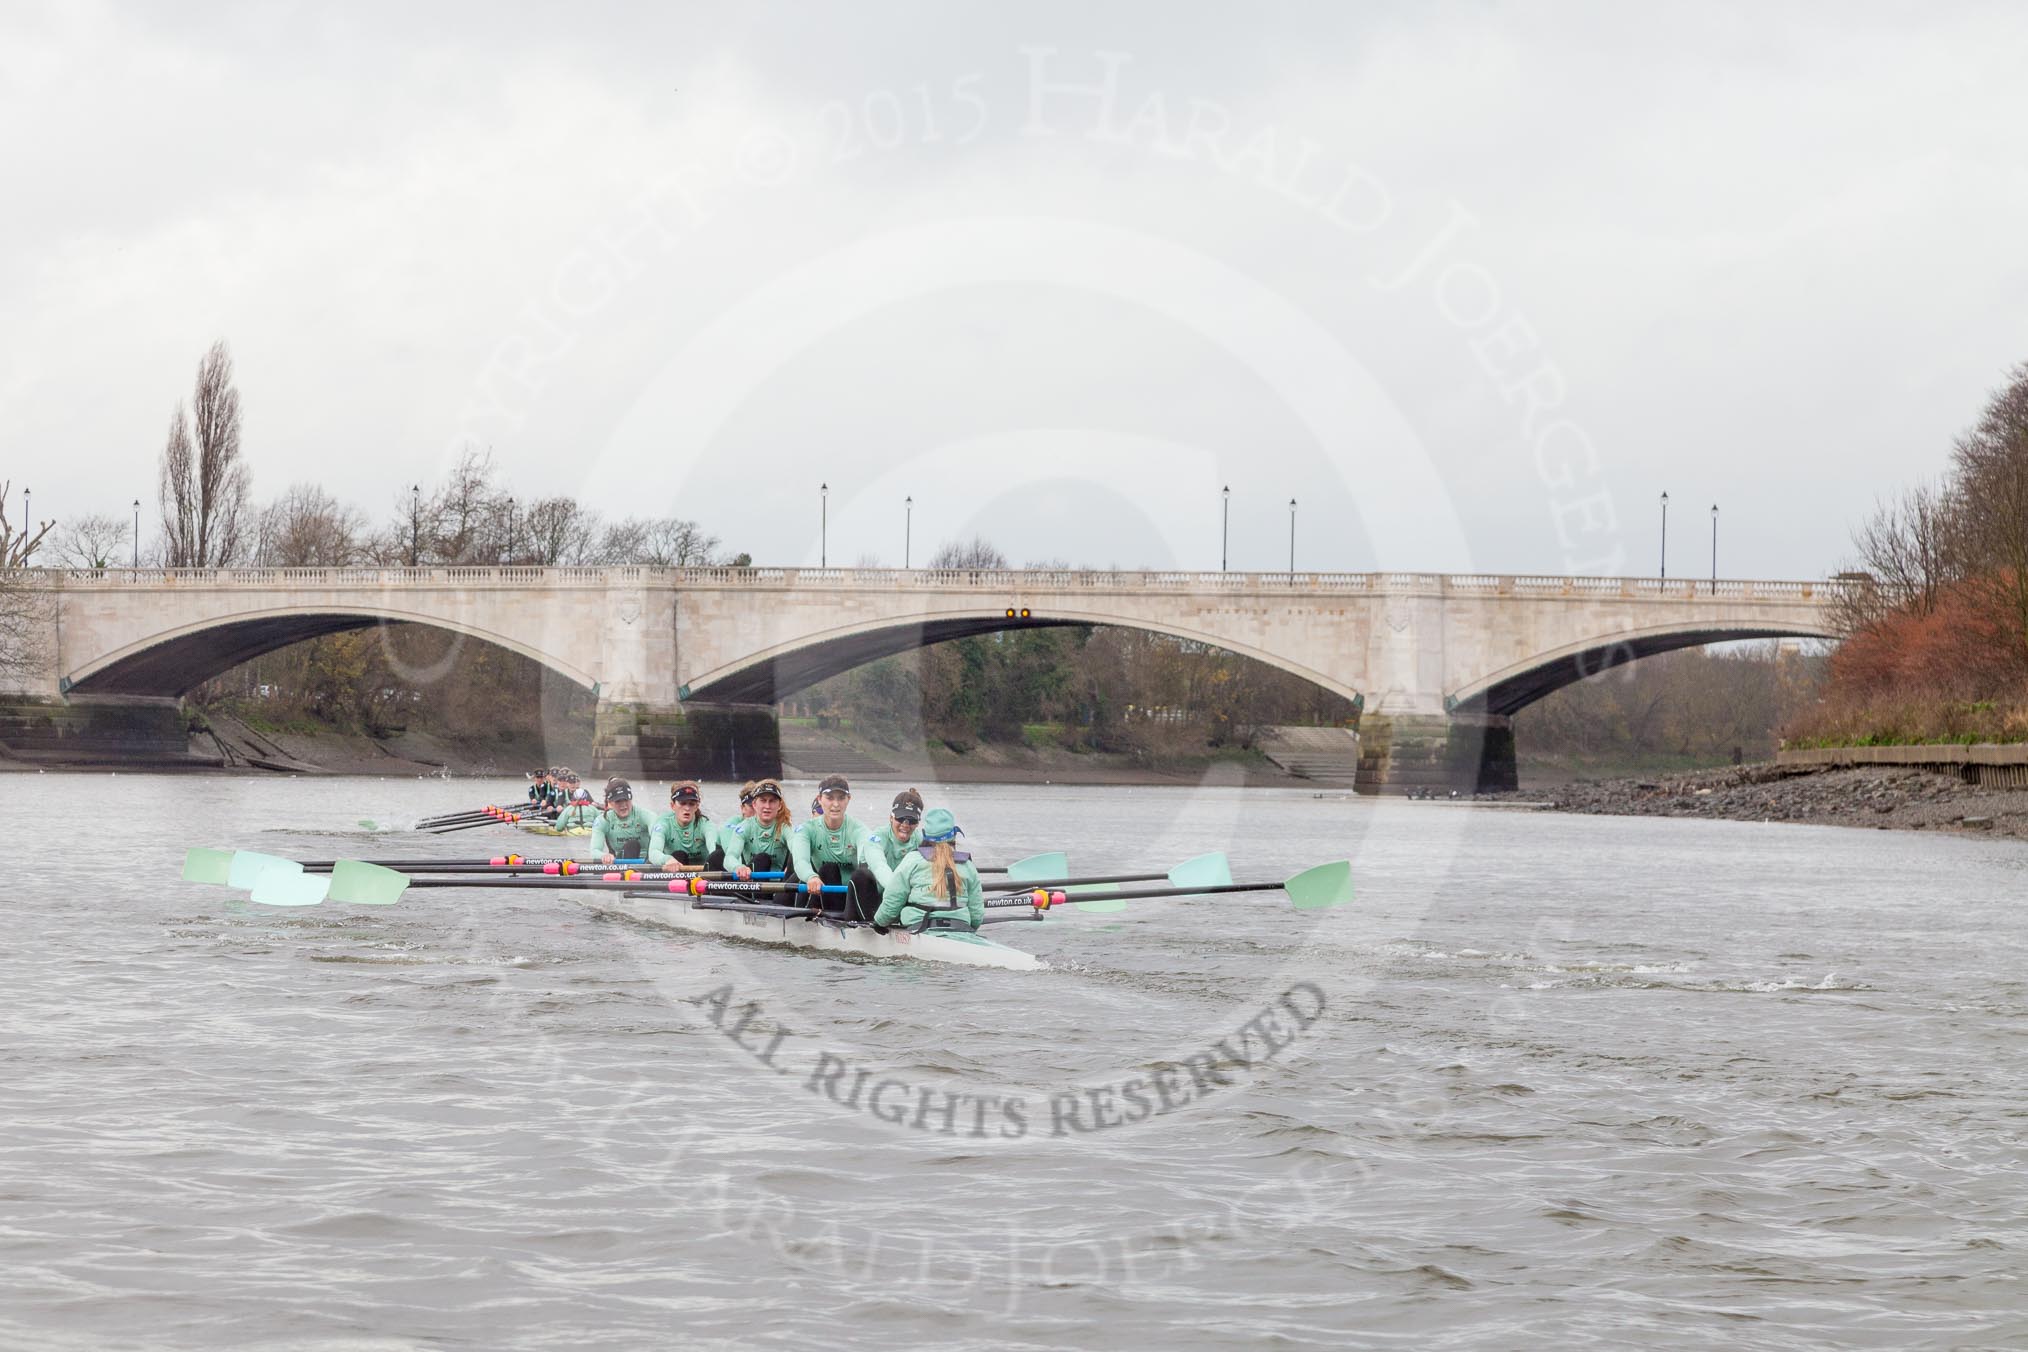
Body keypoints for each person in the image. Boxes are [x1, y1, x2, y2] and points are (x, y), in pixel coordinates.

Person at [873, 807, 983, 934]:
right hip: (960, 927)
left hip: (918, 927)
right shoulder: (968, 865)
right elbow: (976, 914)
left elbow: (893, 901)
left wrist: (879, 923)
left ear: (925, 834)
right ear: (954, 835)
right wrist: (971, 930)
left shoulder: (913, 860)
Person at [790, 774, 872, 915]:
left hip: (851, 898)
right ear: (819, 799)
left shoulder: (860, 830)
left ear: (848, 799)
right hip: (819, 892)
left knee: (861, 874)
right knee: (828, 869)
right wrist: (811, 877)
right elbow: (800, 861)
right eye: (829, 798)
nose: (835, 804)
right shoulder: (806, 829)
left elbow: (869, 857)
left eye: (841, 798)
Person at [853, 788, 924, 921]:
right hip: (871, 900)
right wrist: (899, 891)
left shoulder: (920, 840)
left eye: (911, 820)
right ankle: (871, 923)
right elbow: (879, 866)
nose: (905, 824)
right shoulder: (877, 838)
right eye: (901, 818)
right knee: (861, 876)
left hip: (897, 900)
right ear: (891, 817)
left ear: (918, 823)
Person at [724, 779, 793, 878]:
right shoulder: (744, 827)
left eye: (772, 801)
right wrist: (738, 867)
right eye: (763, 800)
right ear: (754, 805)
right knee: (762, 858)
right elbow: (729, 857)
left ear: (779, 805)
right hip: (751, 885)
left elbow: (797, 850)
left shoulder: (785, 828)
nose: (767, 806)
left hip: (780, 887)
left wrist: (796, 865)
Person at [650, 780, 721, 870]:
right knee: (678, 855)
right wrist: (668, 859)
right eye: (682, 803)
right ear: (672, 805)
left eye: (691, 804)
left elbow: (714, 850)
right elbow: (653, 852)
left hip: (703, 876)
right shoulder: (663, 824)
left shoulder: (706, 825)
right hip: (674, 874)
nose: (687, 808)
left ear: (697, 806)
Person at [591, 778, 656, 864]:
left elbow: (658, 837)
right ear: (610, 802)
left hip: (647, 864)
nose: (623, 805)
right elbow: (594, 850)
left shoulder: (647, 816)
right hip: (619, 864)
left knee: (632, 845)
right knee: (631, 845)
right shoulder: (603, 820)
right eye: (618, 801)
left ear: (631, 798)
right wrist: (603, 856)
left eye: (626, 799)